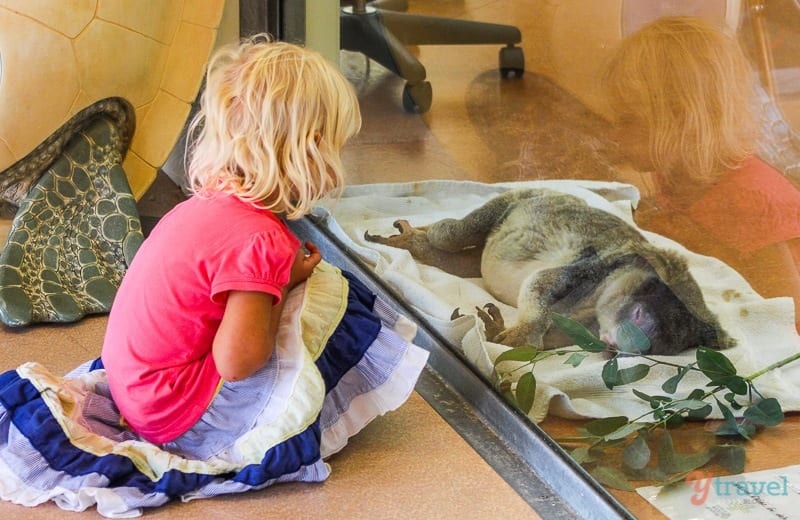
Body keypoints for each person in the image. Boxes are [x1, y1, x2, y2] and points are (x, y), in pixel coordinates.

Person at [100, 35, 426, 449]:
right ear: (309, 151)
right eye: (336, 145)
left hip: (137, 395)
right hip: (180, 418)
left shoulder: (206, 204)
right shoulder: (261, 240)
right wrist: (284, 286)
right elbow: (237, 364)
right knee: (330, 294)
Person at [603, 16, 800, 331]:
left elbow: (786, 319)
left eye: (627, 120)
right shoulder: (676, 171)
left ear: (682, 120)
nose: (615, 133)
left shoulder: (751, 201)